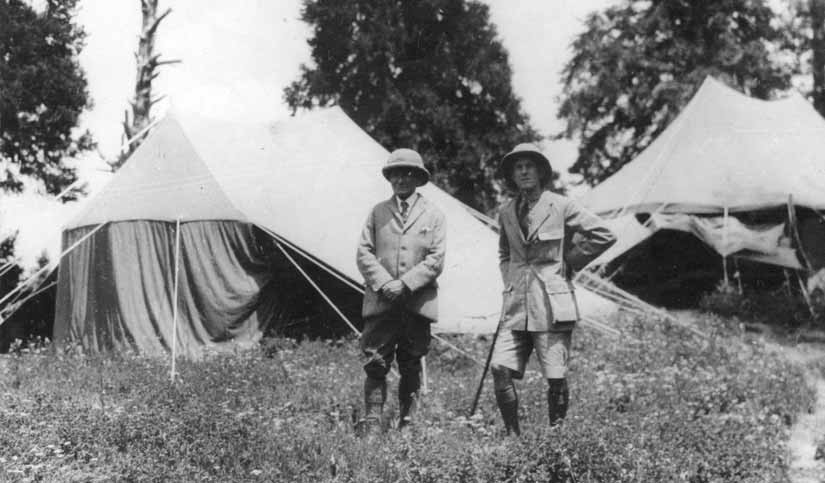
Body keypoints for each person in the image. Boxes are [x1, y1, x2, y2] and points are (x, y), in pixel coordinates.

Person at [491, 142, 616, 435]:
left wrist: (570, 262)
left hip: (551, 306)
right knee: (499, 368)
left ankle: (556, 440)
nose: (523, 172)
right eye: (517, 167)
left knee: (555, 377)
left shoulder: (560, 205)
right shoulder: (507, 211)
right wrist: (510, 281)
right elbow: (505, 254)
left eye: (528, 166)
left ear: (540, 171)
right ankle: (513, 439)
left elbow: (604, 234)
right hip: (516, 306)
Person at [355, 148, 446, 433]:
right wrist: (385, 284)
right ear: (389, 178)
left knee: (410, 361)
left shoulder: (434, 215)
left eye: (408, 173)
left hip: (415, 304)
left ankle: (407, 423)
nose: (401, 179)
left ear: (418, 178)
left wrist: (404, 284)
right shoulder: (377, 212)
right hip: (381, 303)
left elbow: (436, 258)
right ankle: (372, 426)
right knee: (375, 362)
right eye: (395, 173)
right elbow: (363, 252)